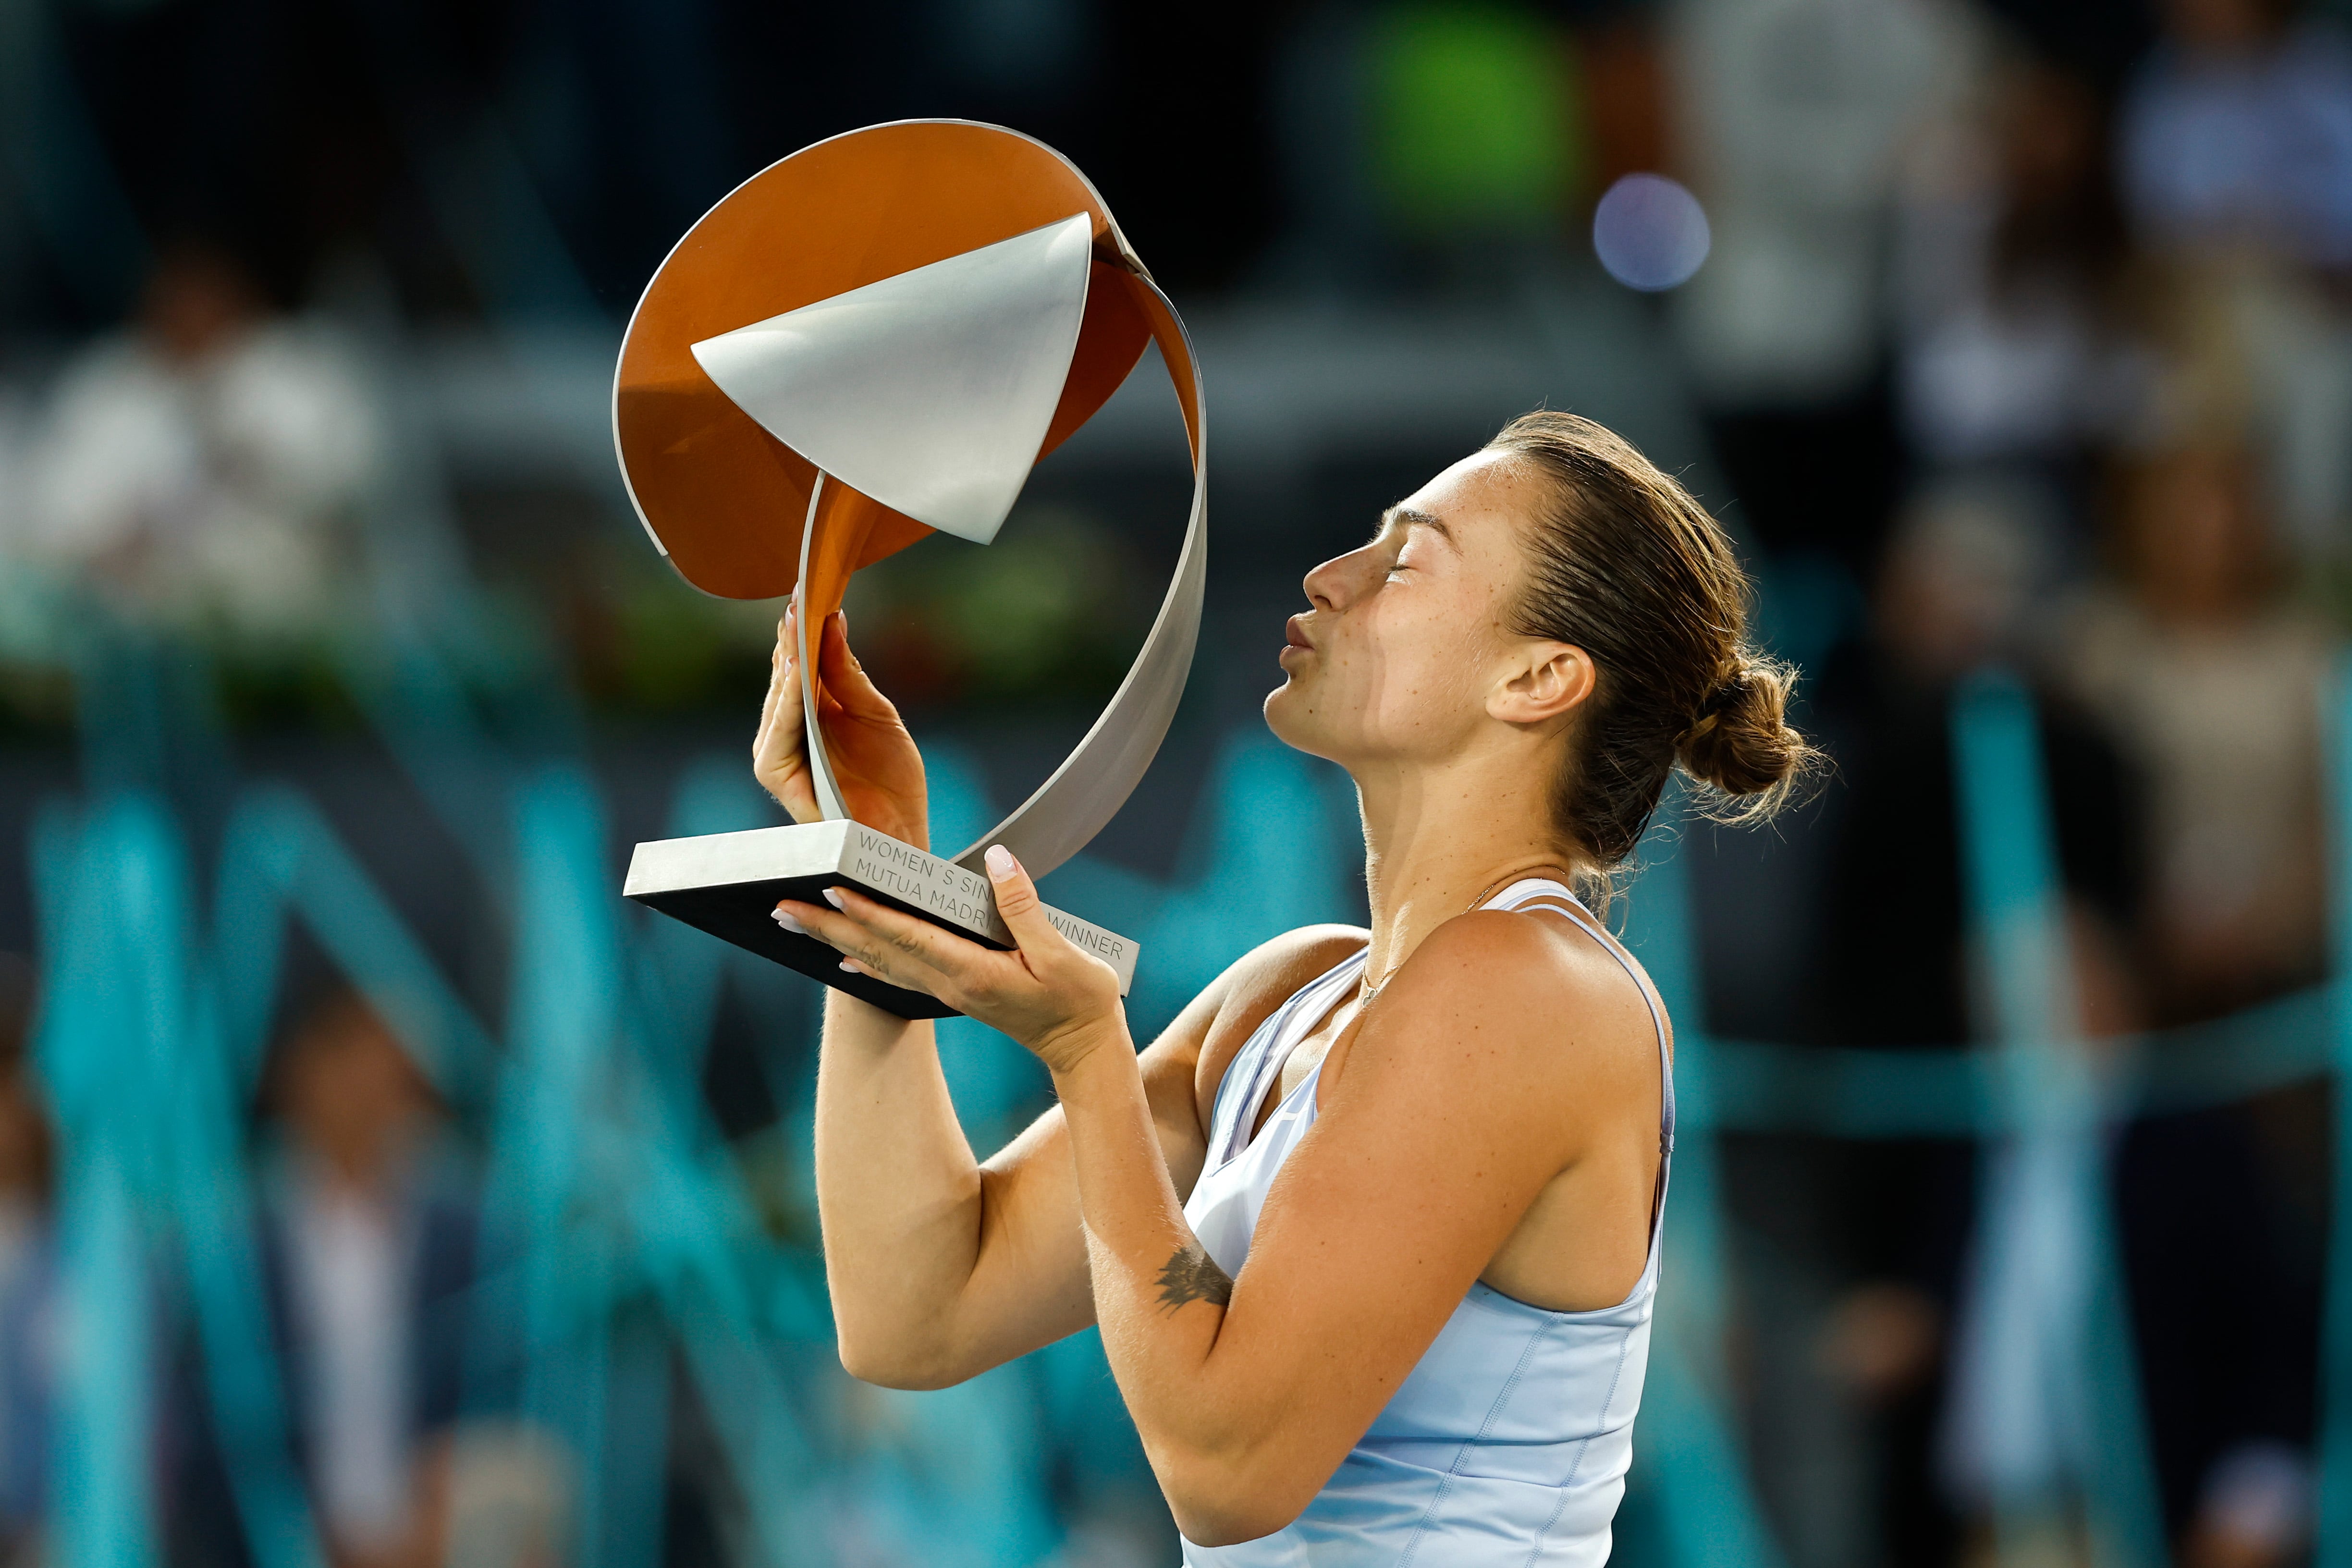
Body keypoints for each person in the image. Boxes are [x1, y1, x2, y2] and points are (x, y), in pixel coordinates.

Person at [757, 411, 1813, 1560]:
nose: (1330, 575)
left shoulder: (1529, 990)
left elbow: (1228, 1471)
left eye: (1405, 558)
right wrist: (876, 885)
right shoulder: (1289, 992)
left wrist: (1087, 1057)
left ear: (1539, 677)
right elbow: (915, 1312)